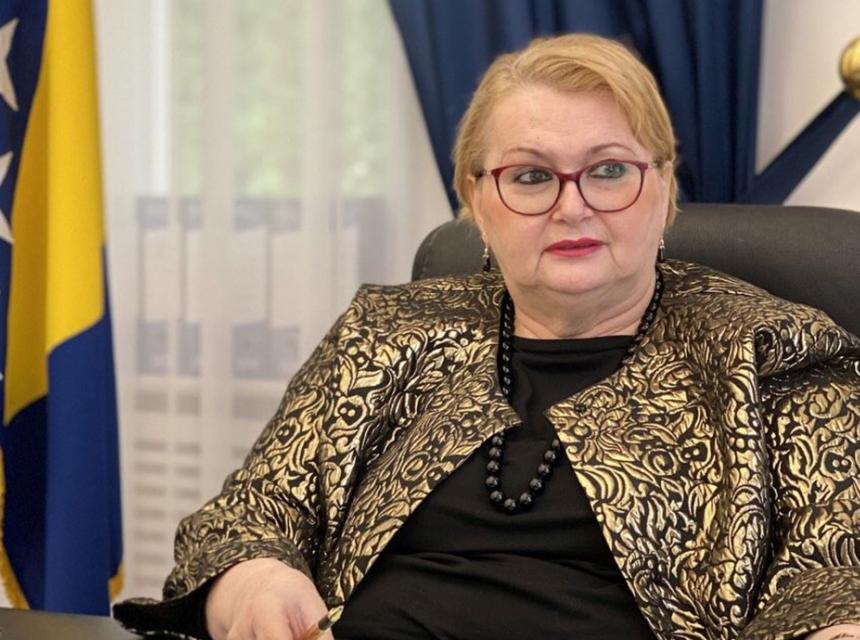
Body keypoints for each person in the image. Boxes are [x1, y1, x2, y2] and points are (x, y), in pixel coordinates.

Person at [114, 33, 860, 640]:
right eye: (531, 177)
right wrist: (253, 581)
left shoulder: (775, 353)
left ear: (663, 187)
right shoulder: (386, 333)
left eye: (609, 170)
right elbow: (250, 514)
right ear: (475, 198)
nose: (573, 207)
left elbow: (834, 569)